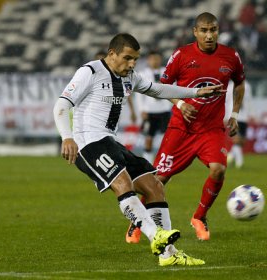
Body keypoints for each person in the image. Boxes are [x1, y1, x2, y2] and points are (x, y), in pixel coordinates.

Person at [53, 33, 225, 266]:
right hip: (88, 144)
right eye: (127, 58)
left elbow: (158, 90)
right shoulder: (90, 72)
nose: (132, 64)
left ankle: (169, 255)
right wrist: (67, 137)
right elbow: (62, 104)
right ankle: (156, 236)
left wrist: (195, 92)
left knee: (154, 186)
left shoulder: (129, 77)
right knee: (123, 183)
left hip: (110, 142)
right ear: (111, 54)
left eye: (135, 59)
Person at [126, 12, 245, 243]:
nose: (209, 35)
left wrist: (235, 113)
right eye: (204, 30)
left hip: (211, 130)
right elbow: (163, 86)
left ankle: (199, 217)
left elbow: (239, 82)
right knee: (158, 180)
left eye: (213, 30)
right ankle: (138, 221)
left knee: (219, 169)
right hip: (181, 128)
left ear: (218, 31)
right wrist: (180, 104)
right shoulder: (182, 55)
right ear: (195, 32)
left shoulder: (230, 56)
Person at [135, 50, 172, 162]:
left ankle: (164, 162)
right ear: (148, 60)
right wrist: (142, 110)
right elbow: (138, 95)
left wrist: (171, 106)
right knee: (148, 137)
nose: (155, 61)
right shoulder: (142, 74)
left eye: (157, 58)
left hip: (164, 110)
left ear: (160, 59)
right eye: (152, 59)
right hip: (149, 111)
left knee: (166, 138)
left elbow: (172, 90)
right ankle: (148, 162)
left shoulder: (166, 72)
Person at [226, 80, 253, 169]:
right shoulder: (229, 86)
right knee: (236, 139)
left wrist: (250, 114)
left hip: (244, 116)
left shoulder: (247, 85)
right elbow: (227, 102)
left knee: (242, 141)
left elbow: (249, 101)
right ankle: (239, 162)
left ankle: (230, 155)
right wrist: (226, 116)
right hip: (233, 115)